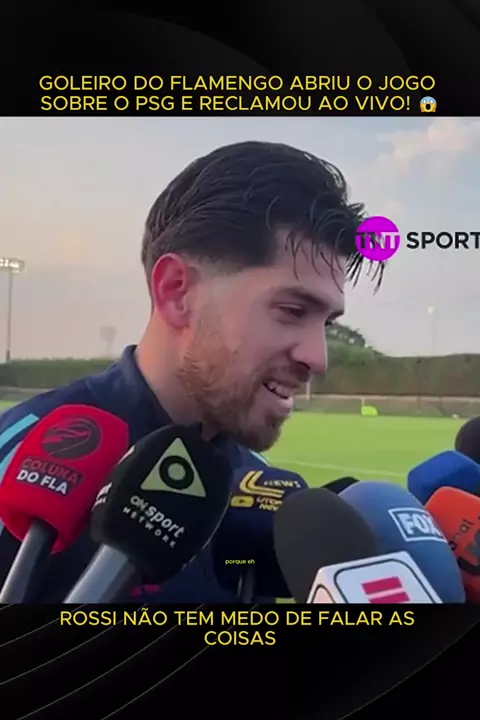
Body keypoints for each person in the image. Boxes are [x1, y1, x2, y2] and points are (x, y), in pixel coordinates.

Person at [0, 140, 383, 602]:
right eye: (291, 310)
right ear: (177, 292)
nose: (318, 358)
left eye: (327, 323)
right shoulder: (16, 461)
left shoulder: (259, 494)